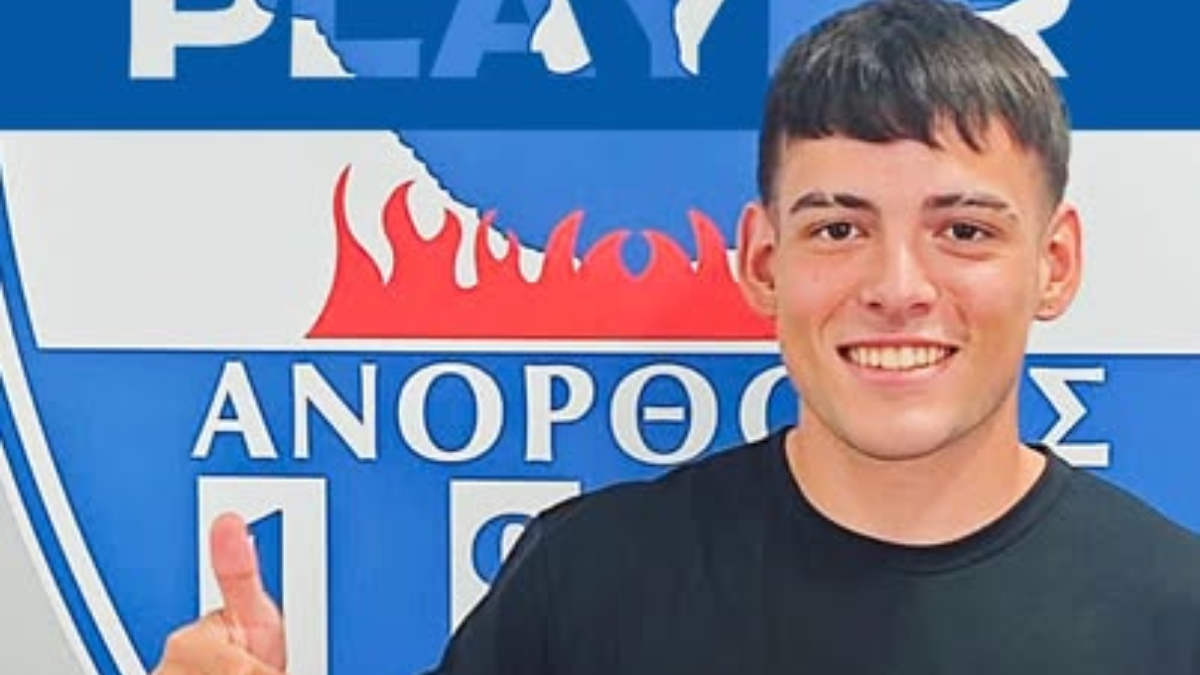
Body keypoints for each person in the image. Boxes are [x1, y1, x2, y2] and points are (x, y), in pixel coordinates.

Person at [151, 1, 1200, 673]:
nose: (897, 287)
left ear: (1056, 264)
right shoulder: (585, 586)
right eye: (838, 228)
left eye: (963, 231)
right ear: (762, 261)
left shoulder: (1175, 616)